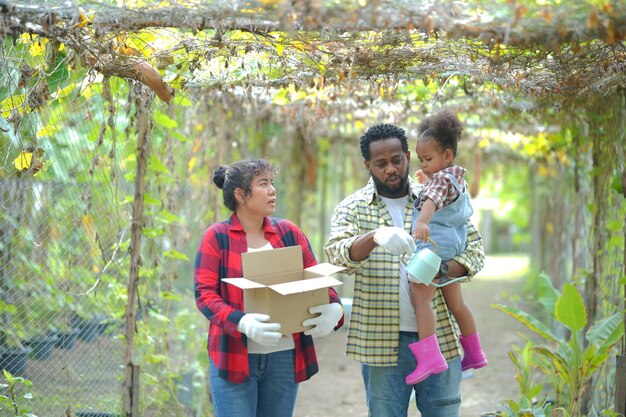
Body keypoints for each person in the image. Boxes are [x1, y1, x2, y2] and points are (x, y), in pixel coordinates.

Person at [324, 123, 485, 417]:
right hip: (381, 343)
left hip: (441, 340)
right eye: (381, 163)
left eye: (397, 160)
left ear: (409, 156)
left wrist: (443, 270)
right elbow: (337, 254)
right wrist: (373, 237)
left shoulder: (436, 195)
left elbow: (474, 249)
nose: (391, 169)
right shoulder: (352, 208)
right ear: (367, 165)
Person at [194, 159, 344, 417]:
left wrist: (334, 307)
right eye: (263, 184)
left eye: (272, 183)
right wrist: (241, 322)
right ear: (240, 194)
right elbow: (204, 295)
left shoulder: (288, 233)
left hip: (284, 358)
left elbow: (315, 278)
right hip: (234, 356)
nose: (272, 190)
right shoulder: (217, 237)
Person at [406, 109, 487, 386]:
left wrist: (422, 223)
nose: (425, 164)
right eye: (422, 160)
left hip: (434, 245)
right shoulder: (455, 178)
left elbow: (431, 203)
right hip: (454, 243)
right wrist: (427, 180)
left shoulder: (440, 180)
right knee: (457, 303)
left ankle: (430, 357)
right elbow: (444, 197)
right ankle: (474, 354)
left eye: (428, 159)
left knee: (420, 297)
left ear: (447, 156)